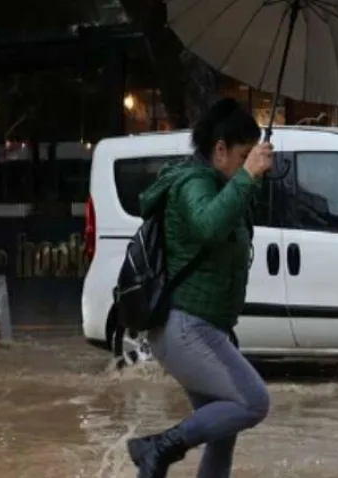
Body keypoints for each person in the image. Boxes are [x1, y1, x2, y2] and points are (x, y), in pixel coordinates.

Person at [126, 97, 273, 478]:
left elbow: (230, 220)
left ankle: (156, 452)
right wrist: (246, 176)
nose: (247, 164)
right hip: (186, 327)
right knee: (253, 402)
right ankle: (159, 447)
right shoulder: (192, 184)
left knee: (223, 432)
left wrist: (251, 177)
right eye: (242, 156)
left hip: (206, 327)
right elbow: (208, 226)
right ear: (219, 149)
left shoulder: (222, 184)